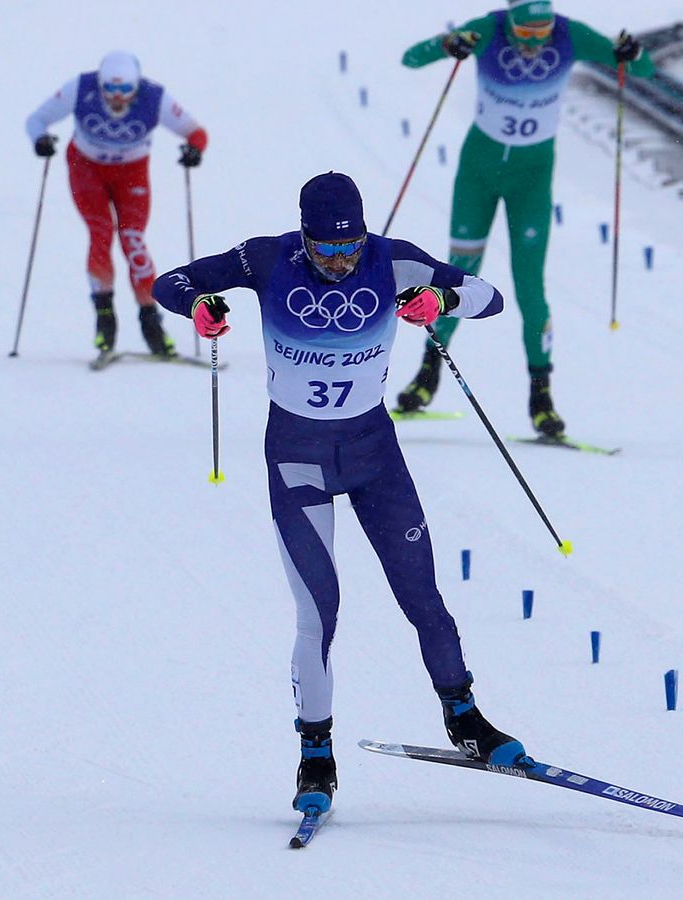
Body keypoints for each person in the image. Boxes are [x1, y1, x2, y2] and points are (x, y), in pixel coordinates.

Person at [152, 172, 526, 817]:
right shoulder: (267, 258)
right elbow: (171, 283)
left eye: (350, 248)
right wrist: (201, 309)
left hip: (373, 455)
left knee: (422, 594)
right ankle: (315, 754)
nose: (340, 262)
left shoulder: (393, 259)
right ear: (304, 236)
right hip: (297, 460)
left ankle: (464, 718)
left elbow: (489, 298)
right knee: (319, 612)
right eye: (325, 250)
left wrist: (438, 299)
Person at [392, 0, 655, 438]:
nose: (536, 43)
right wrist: (449, 44)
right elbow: (410, 58)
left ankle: (541, 398)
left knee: (530, 285)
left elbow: (641, 71)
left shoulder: (570, 35)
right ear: (510, 22)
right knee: (458, 275)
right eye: (526, 34)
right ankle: (427, 377)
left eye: (543, 33)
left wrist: (633, 53)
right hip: (478, 172)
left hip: (531, 178)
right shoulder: (489, 29)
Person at [26, 52, 208, 358]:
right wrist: (40, 140)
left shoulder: (155, 97)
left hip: (131, 173)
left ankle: (151, 321)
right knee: (100, 233)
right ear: (100, 84)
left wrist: (194, 149)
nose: (116, 97)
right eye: (109, 89)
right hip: (86, 169)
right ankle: (105, 318)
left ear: (137, 87)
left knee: (133, 240)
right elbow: (36, 120)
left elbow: (196, 132)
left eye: (125, 90)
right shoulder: (80, 88)